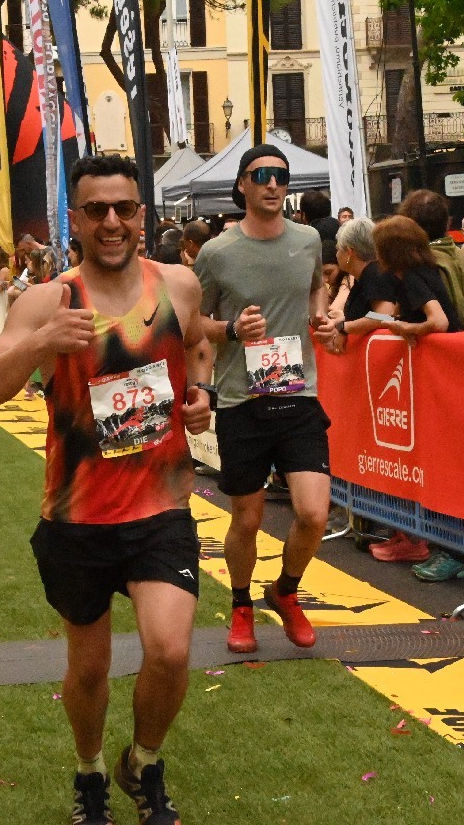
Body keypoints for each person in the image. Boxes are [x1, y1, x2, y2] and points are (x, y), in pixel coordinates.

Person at [0, 154, 212, 825]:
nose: (111, 221)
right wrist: (41, 342)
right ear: (74, 220)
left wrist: (200, 395)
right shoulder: (47, 301)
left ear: (141, 216)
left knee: (170, 649)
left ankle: (145, 761)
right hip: (78, 517)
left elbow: (197, 346)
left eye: (123, 208)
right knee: (88, 670)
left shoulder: (178, 285)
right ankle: (91, 770)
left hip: (160, 506)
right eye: (97, 209)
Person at [194, 144, 336, 655]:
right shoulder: (217, 253)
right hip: (242, 400)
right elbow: (196, 322)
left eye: (280, 175)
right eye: (261, 176)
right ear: (242, 185)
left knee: (314, 514)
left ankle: (285, 591)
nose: (273, 183)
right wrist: (232, 330)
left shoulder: (308, 240)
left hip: (298, 393)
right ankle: (240, 605)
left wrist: (322, 315)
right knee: (247, 519)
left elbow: (317, 287)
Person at [372, 215, 463, 340]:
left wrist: (407, 328)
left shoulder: (411, 277)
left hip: (441, 346)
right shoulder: (419, 271)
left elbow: (439, 322)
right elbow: (394, 316)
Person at [397, 189, 464, 330]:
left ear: (410, 226)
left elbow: (438, 321)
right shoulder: (457, 253)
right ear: (447, 222)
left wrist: (405, 327)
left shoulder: (421, 263)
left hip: (442, 341)